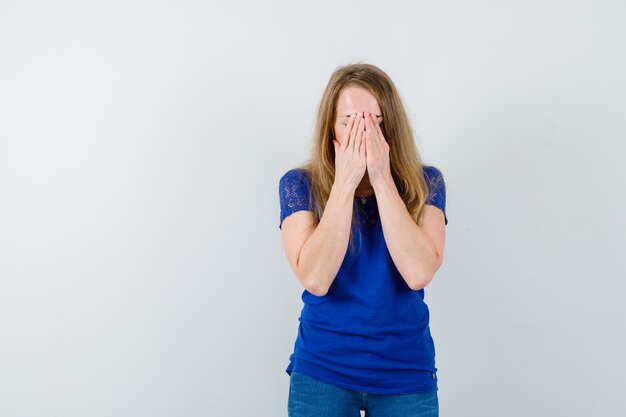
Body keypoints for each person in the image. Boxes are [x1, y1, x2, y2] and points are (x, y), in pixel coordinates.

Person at [278, 62, 447, 417]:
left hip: (406, 373)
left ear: (392, 129)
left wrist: (383, 179)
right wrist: (345, 183)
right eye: (351, 123)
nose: (364, 135)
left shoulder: (426, 183)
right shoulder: (299, 185)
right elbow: (315, 278)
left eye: (376, 124)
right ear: (331, 129)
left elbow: (418, 272)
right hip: (323, 371)